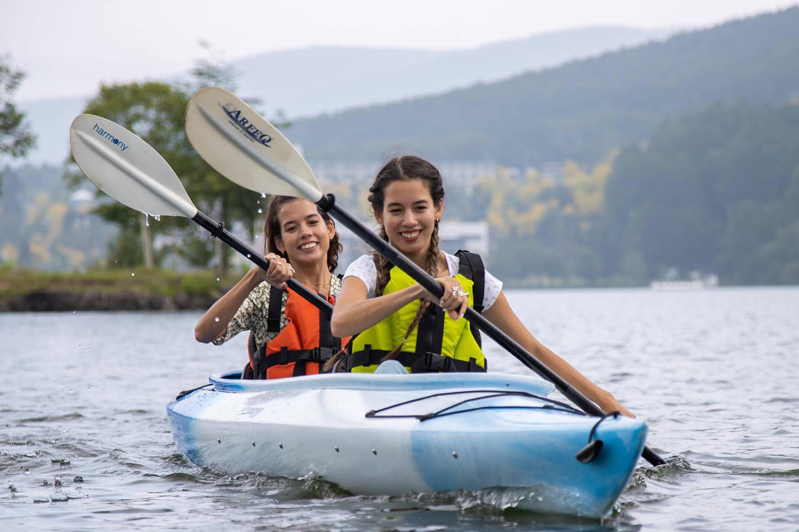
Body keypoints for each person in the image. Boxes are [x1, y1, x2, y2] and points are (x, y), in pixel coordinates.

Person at [330, 156, 634, 417]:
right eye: (396, 210)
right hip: (380, 408)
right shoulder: (367, 270)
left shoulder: (473, 276)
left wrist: (605, 401)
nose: (409, 220)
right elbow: (341, 323)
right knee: (390, 374)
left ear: (438, 208)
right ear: (380, 215)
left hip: (453, 409)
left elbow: (533, 349)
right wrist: (421, 288)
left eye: (419, 207)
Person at [195, 195, 347, 379]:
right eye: (292, 228)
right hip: (280, 402)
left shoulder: (352, 292)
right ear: (280, 243)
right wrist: (255, 276)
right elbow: (204, 333)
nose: (305, 232)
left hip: (340, 402)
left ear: (330, 229)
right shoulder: (265, 295)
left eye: (312, 222)